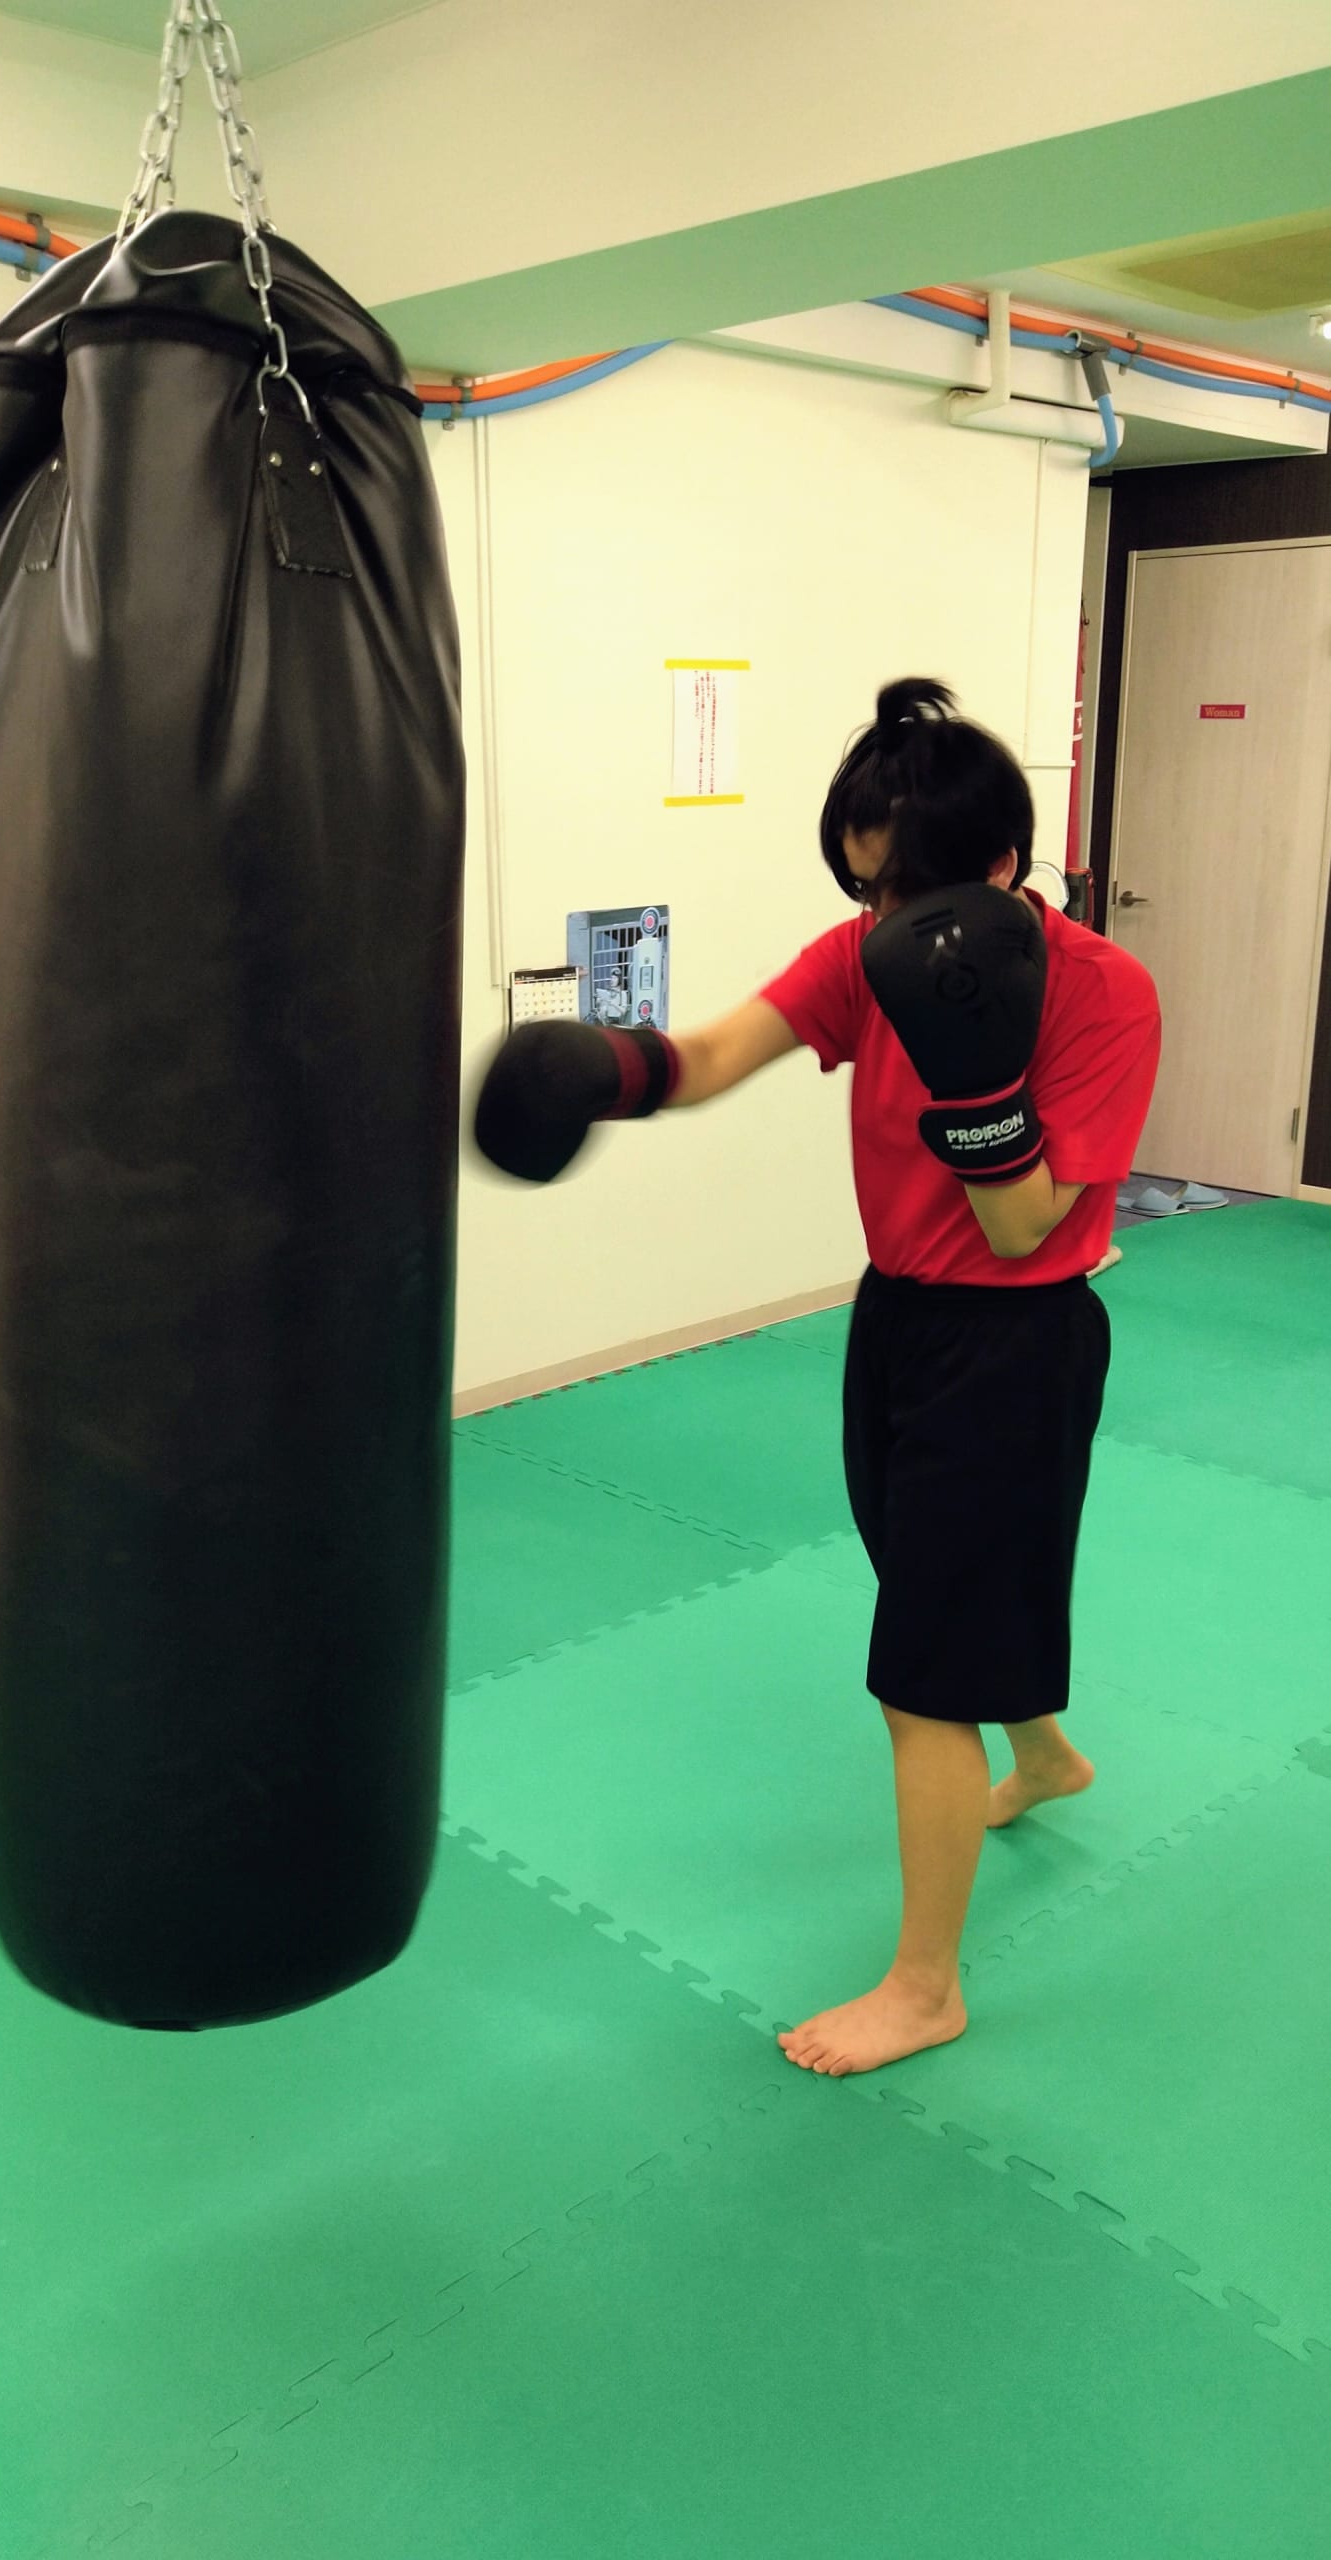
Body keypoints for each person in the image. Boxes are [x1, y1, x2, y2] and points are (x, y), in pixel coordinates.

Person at [473, 678, 1160, 2076]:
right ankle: (1044, 1755)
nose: (878, 920)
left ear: (1004, 868)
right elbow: (722, 1051)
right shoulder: (869, 953)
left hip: (1017, 1341)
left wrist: (976, 1077)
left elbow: (1024, 1225)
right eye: (863, 890)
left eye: (902, 893)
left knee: (920, 1677)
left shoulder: (1106, 994)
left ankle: (926, 1989)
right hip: (897, 1320)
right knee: (927, 1578)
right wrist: (608, 1068)